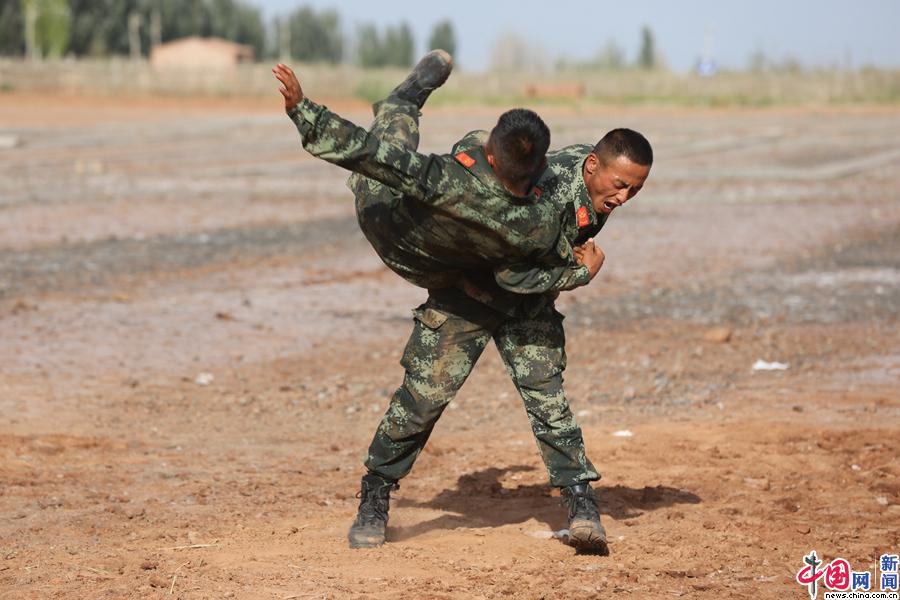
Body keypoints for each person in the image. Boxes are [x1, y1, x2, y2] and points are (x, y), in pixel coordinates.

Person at [273, 54, 652, 553]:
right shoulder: (507, 200)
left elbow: (532, 268)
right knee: (422, 399)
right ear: (592, 166)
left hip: (527, 296)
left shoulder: (591, 177)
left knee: (547, 396)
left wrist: (568, 264)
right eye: (619, 185)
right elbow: (512, 269)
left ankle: (580, 500)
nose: (624, 197)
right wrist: (580, 272)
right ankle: (375, 493)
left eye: (635, 189)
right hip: (471, 290)